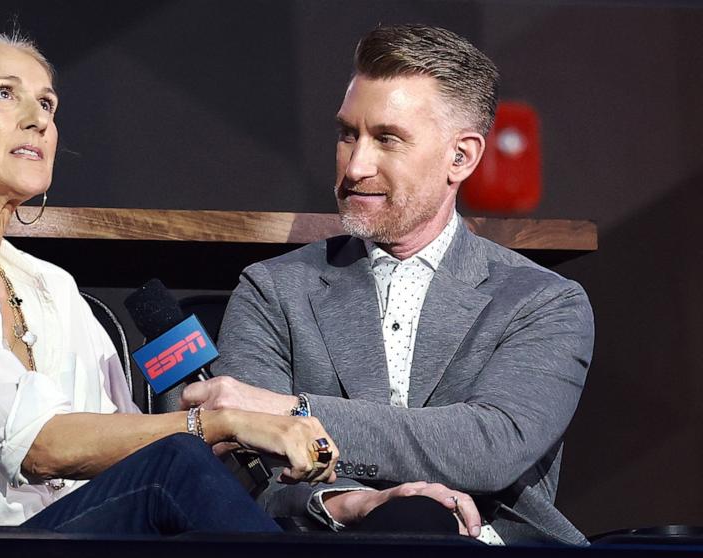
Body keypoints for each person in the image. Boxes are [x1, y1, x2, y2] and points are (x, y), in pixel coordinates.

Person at [0, 31, 343, 534]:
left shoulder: (53, 287)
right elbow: (43, 447)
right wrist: (223, 422)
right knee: (176, 466)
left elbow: (125, 450)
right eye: (4, 93)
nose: (37, 119)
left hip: (80, 536)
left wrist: (237, 447)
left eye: (47, 104)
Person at [182, 24, 593, 546]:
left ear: (461, 157)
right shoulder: (273, 291)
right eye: (347, 134)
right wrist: (353, 503)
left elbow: (488, 445)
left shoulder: (542, 301)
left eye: (387, 139)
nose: (355, 165)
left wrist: (292, 413)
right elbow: (246, 466)